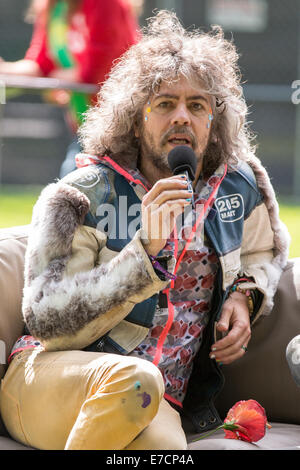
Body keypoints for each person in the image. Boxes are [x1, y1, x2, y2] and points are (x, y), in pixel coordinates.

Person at [0, 10, 290, 450]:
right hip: (50, 378)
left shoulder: (240, 187)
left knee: (167, 450)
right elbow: (48, 322)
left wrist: (245, 296)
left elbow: (263, 253)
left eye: (197, 106)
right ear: (136, 117)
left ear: (213, 123)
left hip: (157, 402)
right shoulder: (82, 193)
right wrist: (144, 254)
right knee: (137, 379)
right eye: (165, 103)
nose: (182, 117)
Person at [0, 0, 140, 177]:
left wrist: (56, 79)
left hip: (123, 127)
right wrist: (5, 70)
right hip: (86, 127)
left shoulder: (106, 3)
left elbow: (98, 70)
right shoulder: (54, 7)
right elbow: (41, 65)